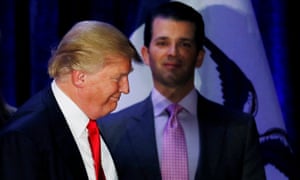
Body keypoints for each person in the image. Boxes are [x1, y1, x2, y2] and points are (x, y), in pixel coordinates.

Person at [97, 2, 266, 180]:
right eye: (163, 43)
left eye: (184, 44)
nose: (173, 52)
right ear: (146, 55)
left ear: (199, 57)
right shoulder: (110, 132)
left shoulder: (239, 130)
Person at [0, 20, 139, 180]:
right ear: (80, 77)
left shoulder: (101, 127)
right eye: (118, 78)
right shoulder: (24, 139)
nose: (126, 88)